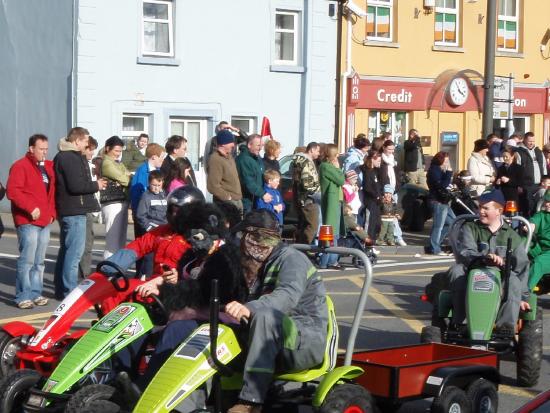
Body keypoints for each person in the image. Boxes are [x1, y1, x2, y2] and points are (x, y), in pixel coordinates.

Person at [224, 210, 328, 413]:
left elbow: (287, 296)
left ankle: (251, 401)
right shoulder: (255, 264)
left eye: (244, 237)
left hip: (303, 339)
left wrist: (248, 308)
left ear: (255, 238)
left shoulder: (292, 259)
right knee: (211, 328)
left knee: (265, 316)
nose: (241, 244)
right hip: (270, 338)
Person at [448, 189, 530, 336]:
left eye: (485, 208)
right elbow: (466, 252)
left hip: (501, 276)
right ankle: (462, 322)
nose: (481, 211)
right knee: (456, 271)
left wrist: (522, 298)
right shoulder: (470, 228)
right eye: (479, 207)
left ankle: (504, 328)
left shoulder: (511, 235)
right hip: (473, 270)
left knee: (514, 281)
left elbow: (522, 267)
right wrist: (485, 258)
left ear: (499, 211)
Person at [53, 127, 107, 299]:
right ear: (77, 141)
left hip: (73, 209)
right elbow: (75, 186)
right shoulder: (69, 158)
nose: (86, 144)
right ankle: (68, 292)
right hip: (74, 210)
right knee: (74, 253)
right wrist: (96, 185)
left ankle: (62, 289)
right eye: (85, 141)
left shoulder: (69, 156)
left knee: (67, 251)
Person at [6, 134, 56, 309]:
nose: (45, 152)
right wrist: (30, 208)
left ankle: (36, 292)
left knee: (39, 261)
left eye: (46, 149)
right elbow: (12, 191)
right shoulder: (20, 166)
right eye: (41, 149)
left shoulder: (47, 168)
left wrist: (52, 213)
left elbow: (52, 193)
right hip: (27, 221)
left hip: (44, 221)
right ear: (31, 149)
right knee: (27, 260)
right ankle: (23, 296)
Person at [100, 136, 131, 259]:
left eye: (120, 151)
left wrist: (125, 176)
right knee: (113, 241)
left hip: (121, 201)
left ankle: (116, 269)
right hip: (112, 203)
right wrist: (125, 176)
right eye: (116, 151)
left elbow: (127, 177)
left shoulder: (118, 163)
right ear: (108, 148)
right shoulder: (107, 163)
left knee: (120, 240)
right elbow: (126, 179)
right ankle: (108, 271)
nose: (118, 154)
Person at [319, 144, 345, 269]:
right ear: (332, 155)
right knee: (330, 232)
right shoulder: (325, 166)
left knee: (335, 233)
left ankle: (332, 260)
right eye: (337, 154)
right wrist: (338, 168)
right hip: (331, 201)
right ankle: (325, 262)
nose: (338, 156)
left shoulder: (329, 166)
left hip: (337, 201)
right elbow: (341, 180)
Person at [207, 129, 243, 217]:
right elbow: (213, 186)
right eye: (231, 142)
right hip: (226, 204)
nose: (233, 145)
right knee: (228, 229)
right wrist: (228, 198)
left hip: (237, 200)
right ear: (223, 144)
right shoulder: (215, 159)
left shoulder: (229, 157)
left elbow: (244, 138)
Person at [79, 136, 101, 279]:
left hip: (90, 207)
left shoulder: (91, 166)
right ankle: (84, 275)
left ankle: (85, 272)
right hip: (83, 207)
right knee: (85, 245)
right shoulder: (81, 165)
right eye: (91, 150)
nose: (92, 153)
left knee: (89, 242)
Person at [427, 151, 455, 256]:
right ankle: (435, 248)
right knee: (438, 226)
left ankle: (436, 243)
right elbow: (442, 185)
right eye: (445, 161)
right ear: (440, 160)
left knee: (452, 222)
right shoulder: (434, 170)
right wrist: (449, 173)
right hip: (437, 201)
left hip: (444, 201)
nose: (447, 163)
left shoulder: (439, 170)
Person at [292, 142, 321, 244]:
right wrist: (317, 191)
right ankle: (304, 247)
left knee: (304, 224)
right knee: (313, 225)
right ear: (311, 150)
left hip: (302, 199)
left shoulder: (300, 162)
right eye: (317, 151)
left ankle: (300, 246)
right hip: (309, 199)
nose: (319, 153)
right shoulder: (307, 163)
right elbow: (307, 183)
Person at [379, 140, 406, 246]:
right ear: (384, 148)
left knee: (393, 216)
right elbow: (381, 177)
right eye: (389, 149)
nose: (391, 151)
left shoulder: (393, 160)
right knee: (389, 217)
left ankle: (394, 237)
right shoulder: (381, 160)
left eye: (393, 149)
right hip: (386, 192)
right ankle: (397, 237)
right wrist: (383, 192)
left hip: (394, 190)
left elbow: (397, 174)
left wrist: (398, 185)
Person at [516, 132, 547, 217]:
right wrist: (519, 185)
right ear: (524, 140)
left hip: (539, 184)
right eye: (529, 141)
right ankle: (527, 226)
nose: (531, 143)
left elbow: (544, 167)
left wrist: (545, 181)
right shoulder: (519, 152)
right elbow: (517, 170)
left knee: (540, 205)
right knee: (528, 206)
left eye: (533, 141)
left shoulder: (538, 151)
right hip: (526, 185)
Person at [236, 134, 269, 213]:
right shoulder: (244, 159)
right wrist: (262, 193)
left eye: (261, 145)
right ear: (249, 145)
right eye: (258, 145)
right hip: (246, 201)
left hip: (256, 198)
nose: (260, 148)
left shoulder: (256, 158)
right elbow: (248, 181)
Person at [527, 190, 550, 291]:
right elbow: (533, 223)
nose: (547, 203)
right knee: (523, 241)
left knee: (538, 263)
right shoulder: (542, 215)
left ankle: (524, 295)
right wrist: (529, 227)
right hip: (541, 249)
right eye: (546, 201)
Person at [361, 151, 382, 242]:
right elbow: (367, 187)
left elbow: (377, 185)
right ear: (372, 159)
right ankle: (367, 243)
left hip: (376, 201)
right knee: (370, 223)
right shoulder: (367, 171)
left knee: (376, 223)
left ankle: (372, 242)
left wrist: (380, 195)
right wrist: (375, 195)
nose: (379, 163)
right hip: (370, 201)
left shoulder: (375, 171)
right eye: (378, 161)